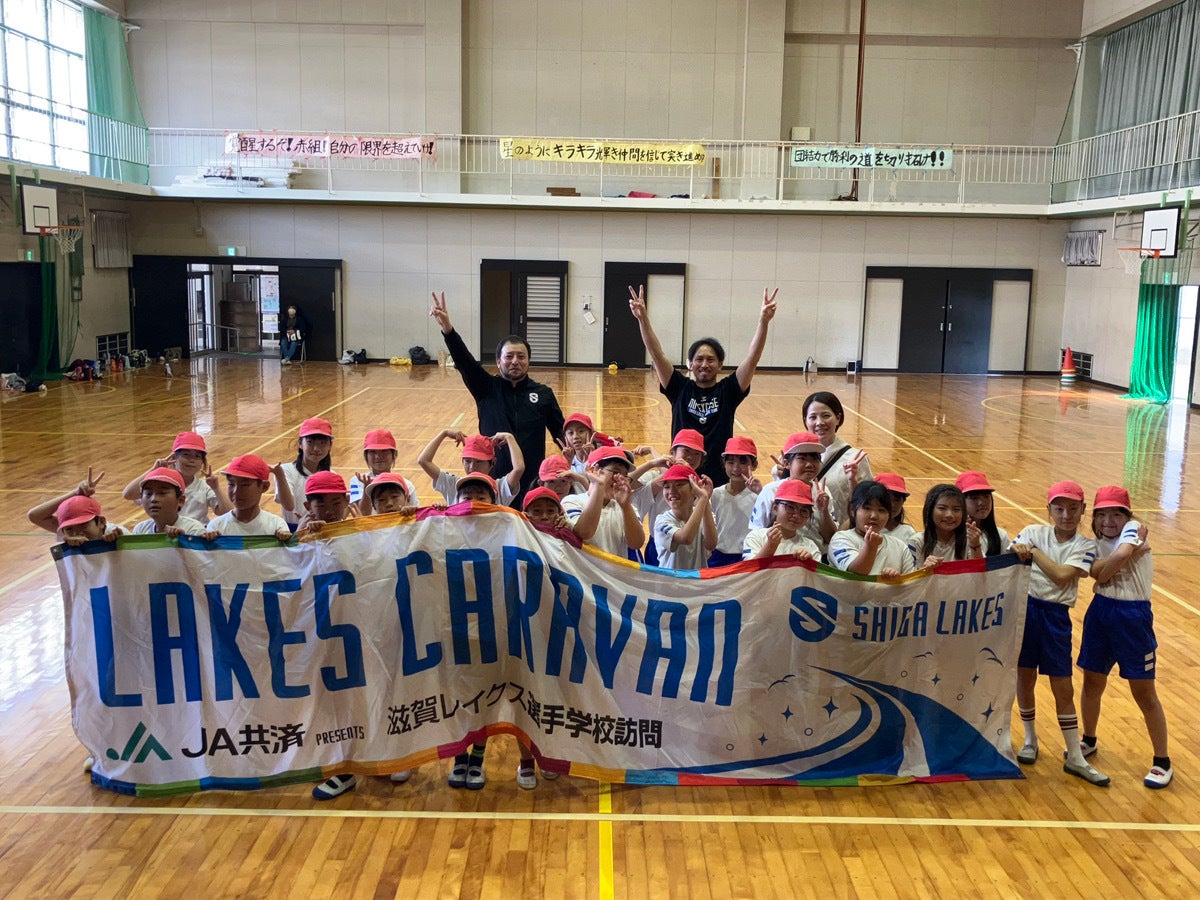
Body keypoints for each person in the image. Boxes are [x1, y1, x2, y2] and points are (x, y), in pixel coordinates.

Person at [628, 284, 777, 486]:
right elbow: (656, 354)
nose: (704, 364)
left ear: (720, 365)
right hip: (681, 474)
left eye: (710, 359)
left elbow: (752, 358)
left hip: (717, 478)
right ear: (690, 364)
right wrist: (642, 319)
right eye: (699, 359)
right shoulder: (679, 388)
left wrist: (763, 321)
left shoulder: (728, 391)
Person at [1010, 481, 1108, 786]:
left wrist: (1033, 552)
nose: (1066, 515)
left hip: (1056, 618)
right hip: (1026, 612)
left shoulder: (1086, 546)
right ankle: (1030, 739)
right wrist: (1020, 548)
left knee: (1062, 686)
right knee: (1024, 677)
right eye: (1059, 508)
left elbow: (1062, 576)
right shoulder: (1032, 530)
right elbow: (1013, 551)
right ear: (1049, 509)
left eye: (1073, 508)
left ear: (1083, 510)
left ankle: (1075, 756)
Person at [1079, 486, 1172, 789]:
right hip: (1100, 613)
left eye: (1116, 514)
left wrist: (1116, 559)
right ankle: (1089, 739)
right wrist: (1126, 554)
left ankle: (1162, 761)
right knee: (1092, 682)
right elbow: (1098, 572)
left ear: (1127, 516)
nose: (1109, 521)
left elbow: (1107, 566)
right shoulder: (1091, 544)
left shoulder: (1134, 527)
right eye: (1102, 514)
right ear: (1095, 517)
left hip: (1133, 617)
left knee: (1144, 692)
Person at [430, 291, 565, 499]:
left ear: (529, 361)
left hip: (531, 480)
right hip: (493, 481)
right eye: (509, 356)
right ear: (498, 361)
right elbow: (465, 362)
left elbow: (561, 434)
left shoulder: (543, 394)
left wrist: (579, 457)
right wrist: (448, 330)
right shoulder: (485, 387)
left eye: (521, 356)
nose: (515, 361)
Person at [749, 432, 835, 552]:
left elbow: (830, 538)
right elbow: (756, 533)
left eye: (815, 459)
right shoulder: (771, 491)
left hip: (814, 557)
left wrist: (823, 511)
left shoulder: (823, 491)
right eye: (802, 459)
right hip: (776, 557)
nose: (809, 464)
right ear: (786, 463)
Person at [121, 431, 231, 523]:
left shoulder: (204, 487)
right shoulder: (160, 484)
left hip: (195, 535)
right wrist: (153, 470)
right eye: (186, 455)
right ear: (174, 457)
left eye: (197, 456)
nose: (191, 460)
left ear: (202, 462)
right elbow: (128, 494)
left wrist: (216, 488)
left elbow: (227, 512)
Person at [828, 481, 927, 577]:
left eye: (881, 510)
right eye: (867, 508)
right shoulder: (840, 539)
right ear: (852, 510)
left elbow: (911, 583)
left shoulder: (900, 547)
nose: (874, 516)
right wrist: (871, 547)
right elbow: (857, 572)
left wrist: (898, 579)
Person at [802, 391, 872, 529]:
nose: (819, 422)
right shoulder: (794, 455)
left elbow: (867, 502)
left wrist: (853, 481)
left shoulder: (855, 458)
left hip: (839, 533)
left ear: (838, 418)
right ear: (805, 421)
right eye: (813, 417)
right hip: (802, 532)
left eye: (826, 416)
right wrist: (782, 475)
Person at [563, 446, 644, 557]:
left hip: (614, 569)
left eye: (625, 476)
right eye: (616, 472)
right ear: (594, 470)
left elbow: (636, 543)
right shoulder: (571, 501)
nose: (620, 479)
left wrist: (625, 506)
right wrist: (598, 486)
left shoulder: (628, 508)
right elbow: (584, 533)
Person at [418, 430, 523, 507]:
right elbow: (423, 461)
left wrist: (509, 438)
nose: (472, 467)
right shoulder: (452, 484)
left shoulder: (500, 487)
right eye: (467, 461)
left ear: (493, 463)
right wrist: (443, 433)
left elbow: (519, 468)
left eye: (479, 461)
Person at [202, 455, 291, 541]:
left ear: (264, 487)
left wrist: (286, 539)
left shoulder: (277, 526)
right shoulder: (216, 527)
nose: (236, 491)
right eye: (231, 484)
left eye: (245, 485)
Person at [708, 436, 762, 566]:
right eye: (731, 462)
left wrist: (761, 494)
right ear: (724, 463)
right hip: (718, 557)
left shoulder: (759, 496)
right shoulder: (715, 494)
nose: (736, 468)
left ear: (754, 465)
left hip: (747, 557)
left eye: (743, 463)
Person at [653, 464, 717, 570]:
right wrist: (703, 498)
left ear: (694, 490)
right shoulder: (661, 521)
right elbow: (685, 538)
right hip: (671, 580)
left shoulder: (705, 515)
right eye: (667, 487)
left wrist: (704, 500)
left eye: (679, 485)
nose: (671, 491)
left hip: (697, 580)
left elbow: (711, 544)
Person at [742, 479, 820, 562]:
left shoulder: (811, 547)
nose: (797, 515)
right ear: (775, 508)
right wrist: (770, 546)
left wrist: (809, 564)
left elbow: (817, 570)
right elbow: (749, 568)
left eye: (804, 511)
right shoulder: (756, 537)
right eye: (790, 507)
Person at [276, 417, 334, 527]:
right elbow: (289, 506)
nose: (316, 448)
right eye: (310, 442)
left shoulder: (332, 475)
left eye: (322, 443)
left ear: (330, 446)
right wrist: (279, 476)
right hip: (292, 530)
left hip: (323, 529)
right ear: (300, 443)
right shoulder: (286, 471)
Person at [350, 429, 419, 516]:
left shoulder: (407, 485)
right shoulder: (358, 481)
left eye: (384, 451)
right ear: (365, 456)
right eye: (372, 452)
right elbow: (361, 514)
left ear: (395, 454)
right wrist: (366, 488)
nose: (378, 456)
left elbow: (417, 514)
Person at [916, 484, 981, 564]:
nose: (949, 515)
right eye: (942, 508)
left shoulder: (970, 539)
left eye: (956, 509)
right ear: (930, 510)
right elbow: (911, 571)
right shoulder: (917, 541)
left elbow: (981, 570)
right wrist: (926, 569)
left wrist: (975, 545)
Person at [130, 467, 205, 536]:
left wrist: (182, 540)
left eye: (162, 493)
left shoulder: (193, 530)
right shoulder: (141, 530)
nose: (154, 499)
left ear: (180, 500)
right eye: (148, 494)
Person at [956, 470, 1011, 555]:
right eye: (974, 498)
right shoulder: (949, 536)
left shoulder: (1001, 536)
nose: (981, 503)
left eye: (986, 496)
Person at [876, 473, 918, 550]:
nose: (892, 504)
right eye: (887, 499)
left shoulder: (908, 532)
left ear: (903, 501)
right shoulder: (863, 531)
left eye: (897, 500)